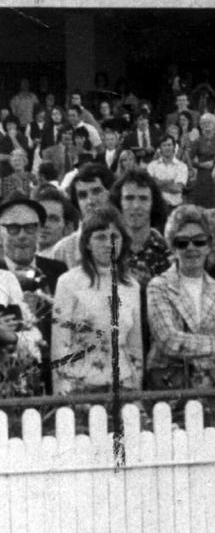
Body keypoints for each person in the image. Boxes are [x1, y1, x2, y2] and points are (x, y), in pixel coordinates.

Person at [145, 205, 215, 390]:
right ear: (173, 247)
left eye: (199, 241)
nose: (191, 248)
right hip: (170, 387)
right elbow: (169, 341)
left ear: (209, 245)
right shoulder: (159, 286)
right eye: (182, 242)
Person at [50, 207, 144, 395]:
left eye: (114, 237)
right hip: (79, 387)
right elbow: (59, 345)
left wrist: (136, 390)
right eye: (100, 237)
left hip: (122, 386)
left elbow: (135, 347)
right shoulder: (68, 282)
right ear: (87, 243)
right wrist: (63, 392)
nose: (108, 243)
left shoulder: (132, 286)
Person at [0, 195, 65, 395]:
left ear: (39, 231)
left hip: (53, 380)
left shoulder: (59, 272)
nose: (22, 235)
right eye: (13, 228)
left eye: (30, 228)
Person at [50, 163, 114, 268]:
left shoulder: (126, 242)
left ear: (111, 194)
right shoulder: (63, 251)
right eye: (83, 195)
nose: (90, 201)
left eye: (96, 191)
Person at [146, 136, 189, 208]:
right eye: (164, 145)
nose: (167, 148)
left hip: (174, 207)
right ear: (160, 148)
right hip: (155, 208)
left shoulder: (182, 166)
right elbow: (149, 187)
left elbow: (177, 189)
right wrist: (168, 182)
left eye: (169, 145)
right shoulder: (152, 165)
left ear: (174, 147)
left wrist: (157, 182)